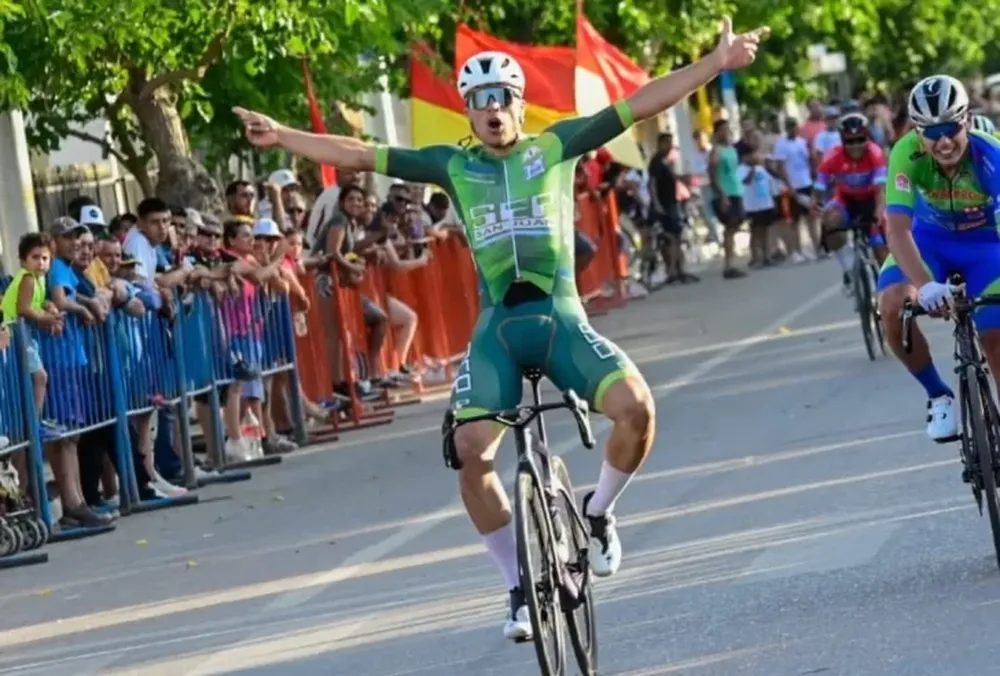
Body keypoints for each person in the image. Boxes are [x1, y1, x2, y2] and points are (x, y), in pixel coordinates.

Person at [233, 15, 767, 641]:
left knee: (638, 410)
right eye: (478, 101)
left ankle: (597, 515)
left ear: (518, 103)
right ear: (468, 110)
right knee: (470, 453)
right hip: (498, 332)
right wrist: (283, 136)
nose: (490, 109)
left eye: (500, 98)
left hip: (560, 319)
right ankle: (518, 586)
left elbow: (640, 101)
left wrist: (713, 64)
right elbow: (356, 153)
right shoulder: (448, 164)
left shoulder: (557, 145)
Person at [877, 75, 1000, 443]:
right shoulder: (905, 152)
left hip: (985, 247)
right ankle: (937, 394)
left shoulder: (991, 153)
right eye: (931, 132)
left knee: (995, 333)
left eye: (950, 127)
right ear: (917, 131)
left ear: (965, 120)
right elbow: (897, 230)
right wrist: (924, 284)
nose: (943, 141)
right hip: (928, 242)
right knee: (892, 305)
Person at [813, 112, 889, 296]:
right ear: (842, 140)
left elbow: (880, 190)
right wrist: (818, 205)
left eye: (860, 139)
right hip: (846, 201)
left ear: (867, 137)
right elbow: (819, 186)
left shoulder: (875, 153)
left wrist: (879, 211)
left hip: (872, 200)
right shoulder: (832, 156)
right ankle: (849, 270)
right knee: (830, 220)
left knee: (880, 246)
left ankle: (888, 288)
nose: (856, 145)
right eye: (850, 141)